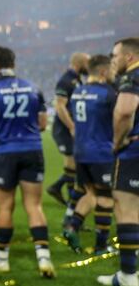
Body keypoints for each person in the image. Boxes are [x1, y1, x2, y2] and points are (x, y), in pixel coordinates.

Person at [0, 46, 55, 278]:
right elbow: (42, 124)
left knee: (5, 206)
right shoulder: (33, 87)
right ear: (14, 62)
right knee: (34, 205)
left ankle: (2, 260)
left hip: (5, 151)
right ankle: (44, 258)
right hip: (32, 149)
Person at [63, 55, 116, 254]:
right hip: (101, 151)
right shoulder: (109, 93)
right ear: (103, 71)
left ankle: (72, 226)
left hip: (81, 150)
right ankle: (101, 245)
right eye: (111, 68)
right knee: (105, 196)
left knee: (90, 193)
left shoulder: (78, 91)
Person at [99, 37, 139, 286]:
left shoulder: (131, 77)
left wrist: (116, 141)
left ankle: (127, 274)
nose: (112, 60)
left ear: (129, 57)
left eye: (115, 56)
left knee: (126, 208)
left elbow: (125, 111)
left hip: (134, 150)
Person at [49, 52, 89, 208]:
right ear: (79, 63)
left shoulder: (77, 80)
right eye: (88, 62)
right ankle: (70, 201)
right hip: (63, 129)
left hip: (71, 128)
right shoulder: (65, 80)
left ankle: (62, 193)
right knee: (72, 166)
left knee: (74, 166)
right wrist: (71, 126)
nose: (89, 66)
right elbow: (59, 106)